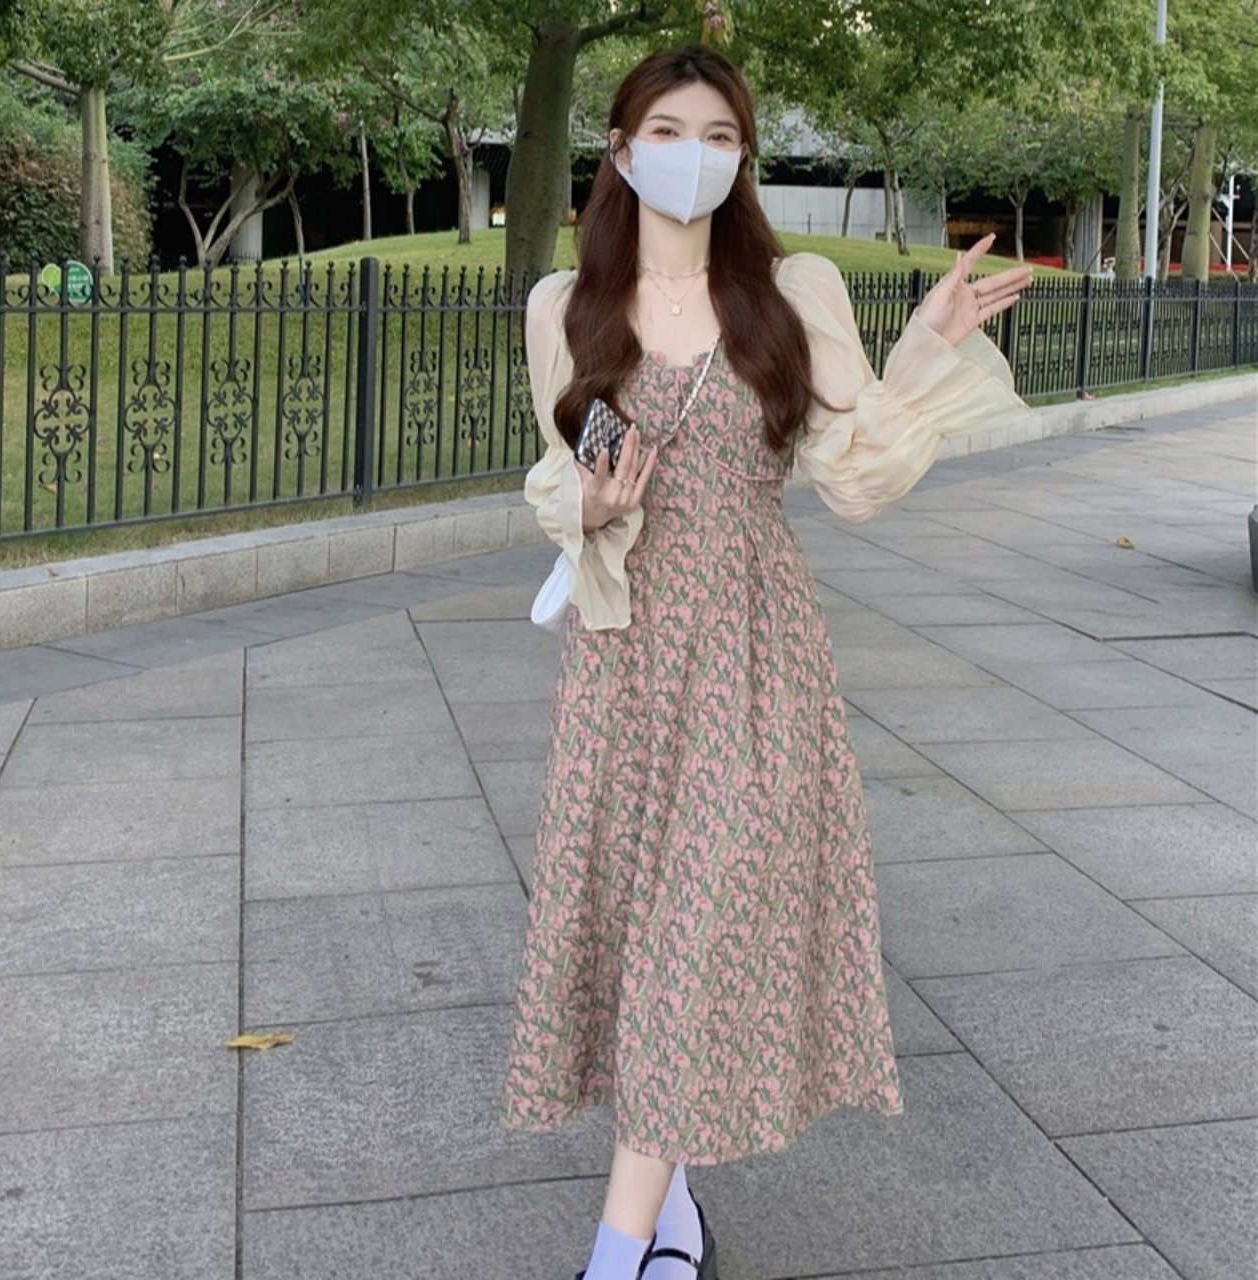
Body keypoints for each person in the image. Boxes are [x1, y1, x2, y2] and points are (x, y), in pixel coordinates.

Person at [500, 43, 1032, 1280]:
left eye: (719, 136)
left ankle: (612, 1255)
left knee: (692, 933)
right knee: (645, 936)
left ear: (741, 157)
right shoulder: (561, 306)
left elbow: (851, 474)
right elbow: (558, 475)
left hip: (754, 655)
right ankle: (672, 1216)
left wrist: (922, 351)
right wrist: (587, 505)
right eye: (668, 132)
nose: (694, 156)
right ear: (621, 151)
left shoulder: (789, 290)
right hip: (623, 660)